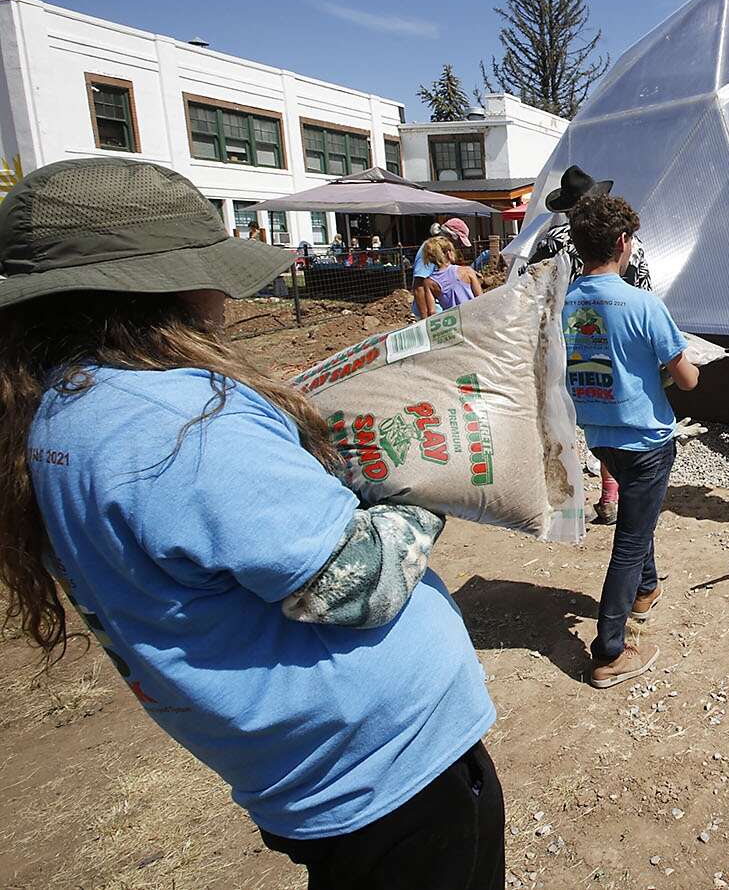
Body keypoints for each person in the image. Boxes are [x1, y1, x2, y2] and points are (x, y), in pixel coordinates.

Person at [0, 157, 503, 888]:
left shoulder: (64, 407)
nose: (224, 295)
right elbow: (359, 586)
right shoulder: (177, 421)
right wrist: (428, 483)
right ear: (162, 286)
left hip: (306, 767)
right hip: (388, 775)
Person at [562, 194, 698, 688]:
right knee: (630, 538)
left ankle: (646, 588)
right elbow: (688, 380)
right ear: (623, 243)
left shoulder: (563, 303)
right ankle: (609, 650)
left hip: (599, 435)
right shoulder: (644, 304)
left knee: (640, 514)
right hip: (647, 439)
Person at [528, 166, 653, 524]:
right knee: (611, 415)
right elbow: (644, 288)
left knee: (561, 416)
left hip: (564, 339)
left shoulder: (552, 240)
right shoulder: (628, 240)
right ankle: (611, 496)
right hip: (617, 341)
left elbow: (531, 290)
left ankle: (560, 500)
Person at [413, 218, 474, 319]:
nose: (459, 245)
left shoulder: (444, 253)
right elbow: (419, 286)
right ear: (450, 236)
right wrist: (424, 319)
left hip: (444, 313)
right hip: (434, 314)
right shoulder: (430, 250)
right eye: (458, 240)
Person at [423, 237, 482, 311]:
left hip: (454, 320)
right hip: (472, 315)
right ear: (448, 253)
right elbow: (480, 298)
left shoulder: (429, 282)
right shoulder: (467, 271)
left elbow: (432, 312)